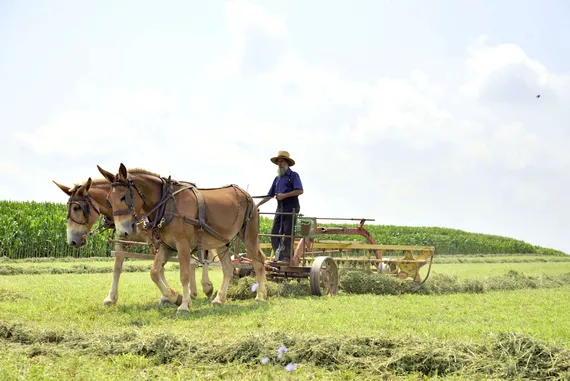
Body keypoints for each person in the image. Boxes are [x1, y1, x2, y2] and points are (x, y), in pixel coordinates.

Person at [256, 150, 304, 263]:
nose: (279, 164)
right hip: (280, 207)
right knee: (274, 232)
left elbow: (300, 191)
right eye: (278, 162)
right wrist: (256, 205)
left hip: (291, 206)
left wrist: (284, 195)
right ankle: (279, 255)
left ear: (287, 162)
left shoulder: (293, 175)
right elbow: (269, 195)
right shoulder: (277, 179)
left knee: (287, 233)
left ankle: (287, 257)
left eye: (281, 161)